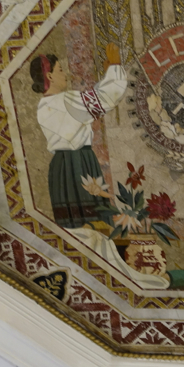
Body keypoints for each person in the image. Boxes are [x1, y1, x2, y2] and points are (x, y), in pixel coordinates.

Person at [31, 43, 126, 228]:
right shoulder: (67, 100)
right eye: (60, 70)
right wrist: (115, 68)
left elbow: (88, 104)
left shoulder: (43, 106)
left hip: (60, 167)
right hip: (79, 163)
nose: (64, 74)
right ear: (49, 75)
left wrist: (107, 76)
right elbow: (106, 98)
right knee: (95, 224)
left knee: (72, 223)